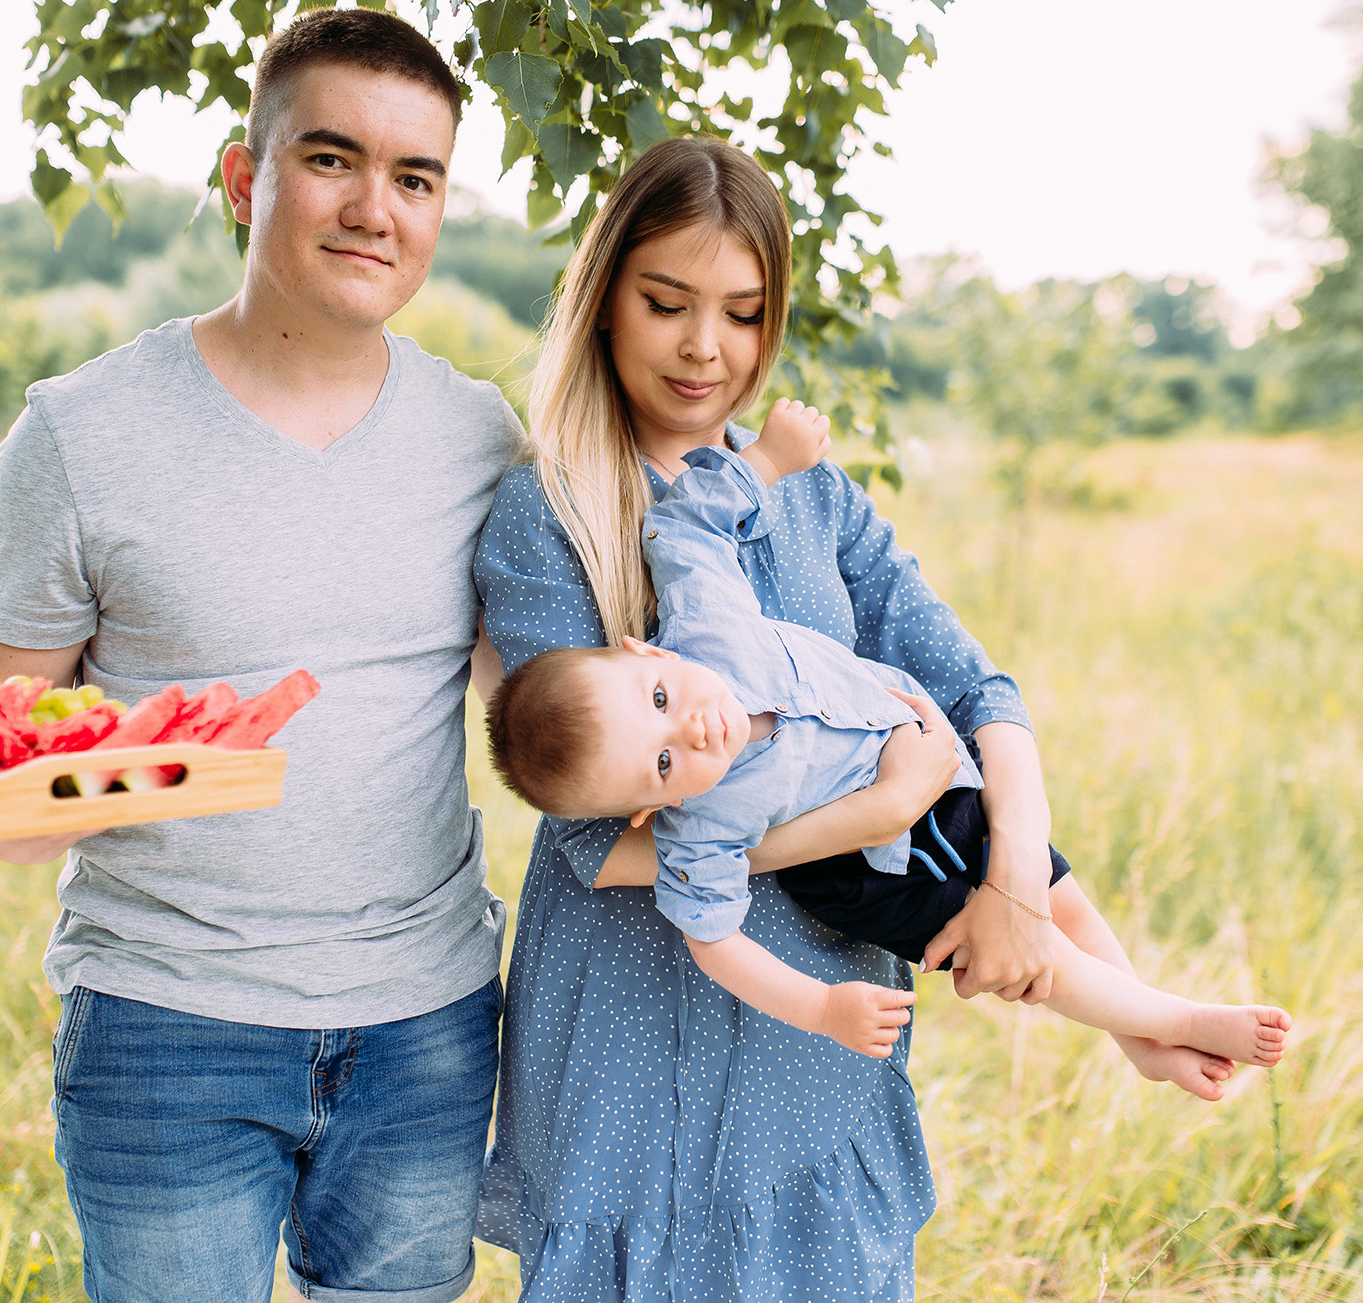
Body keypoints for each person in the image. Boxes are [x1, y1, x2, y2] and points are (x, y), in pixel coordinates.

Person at [473, 135, 1238, 1299]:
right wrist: (872, 810)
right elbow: (597, 842)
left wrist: (1015, 894)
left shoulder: (810, 492)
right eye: (665, 301)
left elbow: (979, 692)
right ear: (603, 298)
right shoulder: (550, 510)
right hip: (632, 1024)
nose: (701, 347)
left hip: (818, 1030)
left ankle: (1131, 1005)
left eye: (739, 312)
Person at [0, 8, 524, 1303]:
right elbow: (8, 811)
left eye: (416, 176)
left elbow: (543, 730)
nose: (375, 207)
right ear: (242, 176)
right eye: (332, 159)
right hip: (170, 1023)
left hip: (428, 1024)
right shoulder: (77, 435)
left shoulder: (482, 439)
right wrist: (7, 789)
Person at [483, 429, 1292, 1074]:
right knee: (1004, 936)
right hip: (867, 871)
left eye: (660, 702)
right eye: (662, 762)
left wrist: (766, 459)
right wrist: (821, 1008)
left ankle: (1141, 1030)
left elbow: (684, 523)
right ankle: (1175, 1023)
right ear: (650, 806)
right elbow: (716, 942)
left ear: (649, 654)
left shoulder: (703, 620)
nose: (690, 731)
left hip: (933, 773)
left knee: (1052, 890)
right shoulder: (700, 824)